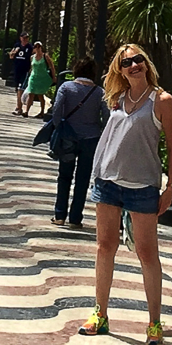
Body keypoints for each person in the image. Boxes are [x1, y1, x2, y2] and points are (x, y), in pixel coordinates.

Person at [78, 43, 172, 345]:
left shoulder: (162, 100)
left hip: (143, 186)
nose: (133, 66)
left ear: (146, 63)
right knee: (104, 247)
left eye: (138, 60)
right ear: (118, 70)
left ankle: (154, 323)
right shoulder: (117, 98)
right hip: (108, 182)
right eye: (126, 63)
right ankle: (100, 313)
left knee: (147, 254)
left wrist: (171, 186)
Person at [49, 57, 107, 229]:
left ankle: (59, 215)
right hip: (90, 139)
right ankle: (75, 218)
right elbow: (107, 116)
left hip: (68, 138)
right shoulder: (99, 92)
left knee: (64, 176)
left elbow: (56, 110)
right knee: (83, 179)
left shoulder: (66, 88)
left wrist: (60, 127)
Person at [21, 41, 56, 118]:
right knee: (31, 94)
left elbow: (51, 67)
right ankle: (26, 111)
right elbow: (31, 68)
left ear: (41, 47)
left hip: (42, 78)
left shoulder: (45, 57)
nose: (37, 48)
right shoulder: (32, 57)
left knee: (40, 95)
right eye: (35, 47)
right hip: (33, 78)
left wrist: (54, 77)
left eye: (39, 46)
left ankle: (42, 112)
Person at [8, 32, 33, 115]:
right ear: (20, 38)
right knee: (18, 89)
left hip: (25, 71)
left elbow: (32, 58)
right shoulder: (17, 45)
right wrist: (14, 52)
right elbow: (11, 56)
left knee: (20, 89)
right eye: (24, 37)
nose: (25, 39)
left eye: (27, 38)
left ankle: (19, 108)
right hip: (17, 70)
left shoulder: (30, 47)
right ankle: (20, 107)